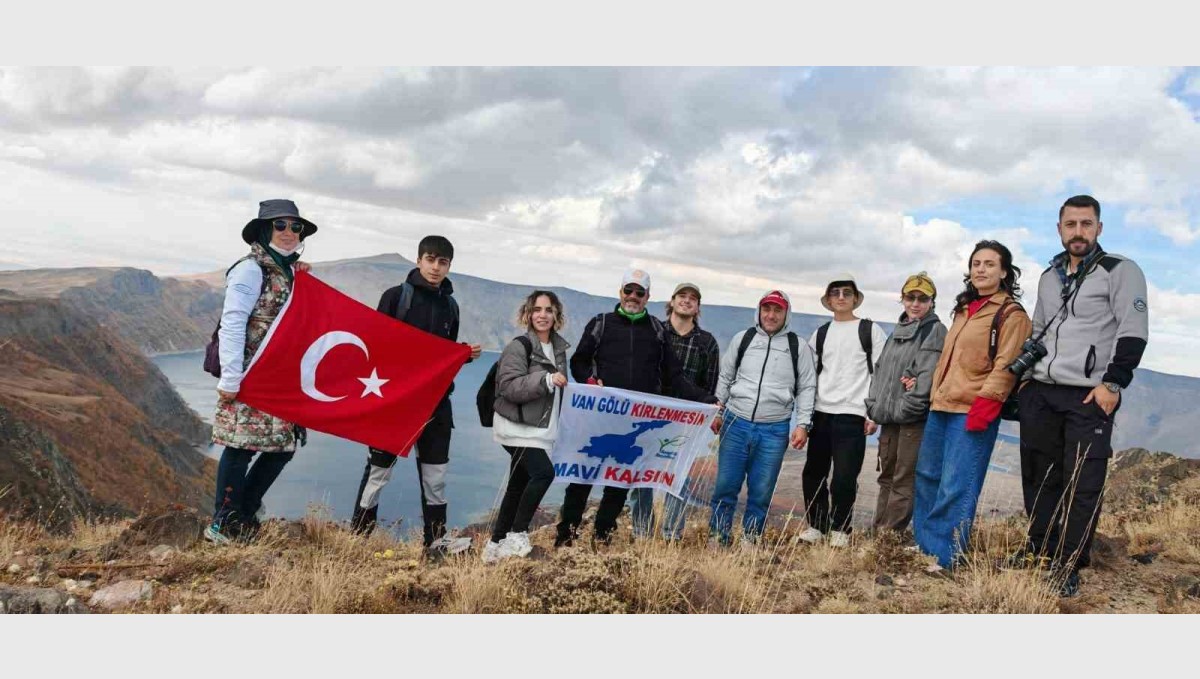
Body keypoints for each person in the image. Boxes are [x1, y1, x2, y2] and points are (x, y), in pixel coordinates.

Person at [1015, 195, 1149, 597]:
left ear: (1099, 229)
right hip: (1041, 392)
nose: (1078, 232)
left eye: (1086, 224)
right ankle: (1038, 547)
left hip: (1088, 395)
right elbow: (1038, 328)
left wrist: (1112, 383)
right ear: (1059, 229)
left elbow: (1133, 330)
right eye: (1070, 224)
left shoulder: (1119, 271)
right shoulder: (1048, 275)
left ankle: (1069, 562)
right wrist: (1026, 381)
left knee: (1082, 480)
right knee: (1039, 475)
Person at [555, 269, 718, 547]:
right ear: (620, 293)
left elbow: (674, 376)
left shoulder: (656, 330)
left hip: (632, 424)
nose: (633, 297)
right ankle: (565, 537)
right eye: (628, 291)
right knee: (582, 478)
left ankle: (602, 538)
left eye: (639, 293)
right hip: (598, 419)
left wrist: (707, 402)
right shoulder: (601, 323)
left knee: (618, 483)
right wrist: (590, 381)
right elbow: (579, 362)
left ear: (647, 297)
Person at [350, 235, 482, 557]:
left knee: (436, 476)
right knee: (379, 471)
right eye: (430, 259)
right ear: (419, 260)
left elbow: (441, 358)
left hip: (436, 403)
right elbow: (377, 345)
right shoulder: (396, 298)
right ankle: (358, 538)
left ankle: (435, 543)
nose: (436, 268)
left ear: (449, 266)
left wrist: (460, 356)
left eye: (443, 262)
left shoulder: (451, 306)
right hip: (397, 403)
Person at [913, 240, 1032, 569]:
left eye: (989, 264)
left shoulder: (1011, 313)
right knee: (927, 476)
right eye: (976, 263)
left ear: (1004, 272)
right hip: (941, 405)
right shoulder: (965, 308)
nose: (981, 269)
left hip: (974, 409)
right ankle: (925, 543)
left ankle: (947, 554)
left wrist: (987, 403)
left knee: (957, 483)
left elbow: (1008, 364)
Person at [207, 199, 317, 544]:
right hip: (251, 375)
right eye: (280, 225)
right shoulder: (250, 269)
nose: (288, 232)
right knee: (241, 447)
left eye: (295, 226)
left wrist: (299, 278)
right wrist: (231, 377)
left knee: (282, 446)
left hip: (278, 377)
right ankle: (223, 522)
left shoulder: (286, 270)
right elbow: (233, 321)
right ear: (264, 229)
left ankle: (245, 513)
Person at [708, 290, 817, 546]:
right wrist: (718, 410)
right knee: (726, 486)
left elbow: (807, 387)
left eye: (777, 310)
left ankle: (751, 541)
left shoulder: (797, 346)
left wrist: (802, 424)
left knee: (761, 490)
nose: (771, 315)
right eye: (766, 309)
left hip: (774, 429)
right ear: (759, 311)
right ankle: (717, 538)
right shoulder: (743, 339)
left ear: (786, 314)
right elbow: (725, 377)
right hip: (736, 423)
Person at [800, 274, 889, 547]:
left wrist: (872, 414)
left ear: (855, 298)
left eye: (846, 293)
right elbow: (810, 376)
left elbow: (882, 374)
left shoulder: (870, 330)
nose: (841, 297)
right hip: (821, 411)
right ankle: (817, 526)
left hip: (853, 413)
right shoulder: (821, 333)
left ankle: (841, 529)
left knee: (845, 476)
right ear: (828, 299)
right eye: (835, 293)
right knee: (813, 473)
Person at [482, 290, 571, 563]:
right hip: (517, 427)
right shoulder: (518, 346)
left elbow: (561, 387)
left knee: (517, 485)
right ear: (528, 314)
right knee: (543, 473)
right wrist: (545, 380)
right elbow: (508, 386)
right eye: (537, 310)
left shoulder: (557, 349)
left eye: (548, 310)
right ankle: (518, 534)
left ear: (557, 315)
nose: (542, 315)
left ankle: (494, 546)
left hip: (538, 430)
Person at [629, 282, 721, 540]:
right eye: (682, 296)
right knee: (640, 475)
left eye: (693, 298)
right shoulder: (653, 331)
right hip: (648, 417)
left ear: (698, 307)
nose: (687, 301)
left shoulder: (706, 342)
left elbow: (709, 384)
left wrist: (706, 412)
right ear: (672, 300)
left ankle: (672, 535)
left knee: (678, 478)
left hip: (686, 423)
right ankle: (641, 532)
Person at [864, 272, 947, 536]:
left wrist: (902, 410)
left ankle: (889, 535)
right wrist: (876, 409)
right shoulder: (899, 330)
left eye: (922, 299)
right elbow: (881, 372)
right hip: (890, 418)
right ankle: (879, 531)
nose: (915, 303)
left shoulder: (934, 331)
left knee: (903, 479)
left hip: (911, 421)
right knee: (887, 476)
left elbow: (924, 379)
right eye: (911, 297)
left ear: (932, 302)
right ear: (902, 299)